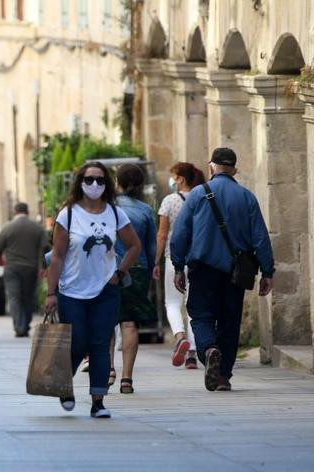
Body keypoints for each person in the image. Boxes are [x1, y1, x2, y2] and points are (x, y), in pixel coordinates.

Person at [170, 148, 274, 392]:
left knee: (201, 314)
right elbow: (260, 237)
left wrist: (177, 267)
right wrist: (267, 272)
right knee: (229, 320)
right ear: (234, 170)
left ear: (211, 167)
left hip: (203, 269)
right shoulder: (246, 197)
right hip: (236, 271)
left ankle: (208, 349)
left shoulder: (196, 195)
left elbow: (180, 234)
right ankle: (223, 376)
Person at [44, 162, 141, 418]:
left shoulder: (115, 214)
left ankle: (98, 402)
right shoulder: (69, 214)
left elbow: (134, 246)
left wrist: (119, 273)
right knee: (77, 343)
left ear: (107, 184)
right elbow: (57, 256)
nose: (95, 185)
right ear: (80, 182)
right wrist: (50, 293)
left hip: (105, 291)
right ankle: (64, 385)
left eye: (100, 180)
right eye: (89, 180)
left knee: (99, 344)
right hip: (71, 291)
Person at [153, 162, 205, 369]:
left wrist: (156, 260)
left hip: (173, 257)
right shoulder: (202, 197)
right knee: (193, 306)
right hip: (198, 258)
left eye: (173, 176)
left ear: (181, 178)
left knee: (173, 303)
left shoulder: (169, 201)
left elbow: (162, 234)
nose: (172, 180)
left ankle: (180, 336)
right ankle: (192, 352)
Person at [112, 164, 158, 394]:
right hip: (136, 269)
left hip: (107, 269)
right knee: (129, 323)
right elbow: (150, 247)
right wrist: (150, 271)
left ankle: (108, 368)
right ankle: (126, 379)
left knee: (106, 322)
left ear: (117, 181)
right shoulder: (145, 210)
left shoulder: (106, 209)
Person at [0, 202, 46, 337]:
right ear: (27, 211)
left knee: (14, 297)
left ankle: (19, 326)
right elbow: (46, 248)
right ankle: (26, 324)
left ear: (15, 212)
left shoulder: (7, 227)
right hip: (31, 268)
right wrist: (44, 267)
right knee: (27, 298)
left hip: (12, 268)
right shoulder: (38, 228)